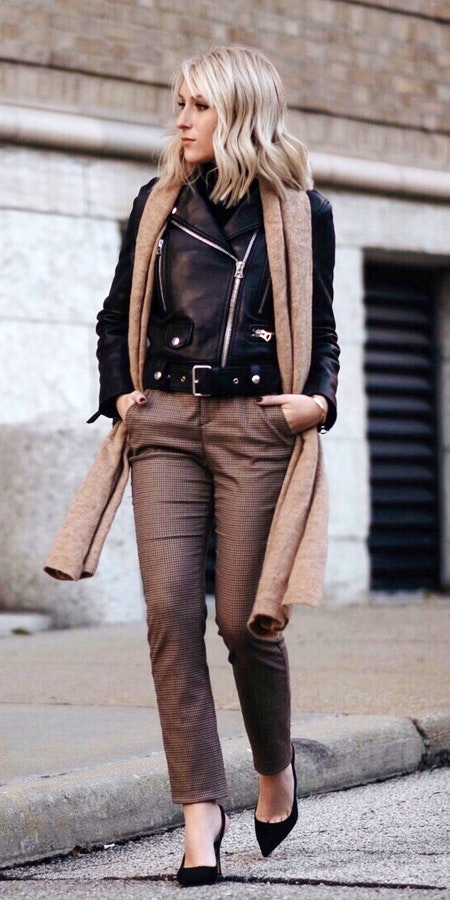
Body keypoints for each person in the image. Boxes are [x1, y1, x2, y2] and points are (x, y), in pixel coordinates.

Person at [92, 45, 339, 886]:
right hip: (165, 422)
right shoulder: (156, 202)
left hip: (254, 426)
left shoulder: (304, 212)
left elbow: (325, 333)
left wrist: (320, 403)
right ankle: (201, 815)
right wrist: (123, 394)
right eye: (179, 104)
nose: (181, 119)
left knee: (243, 620)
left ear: (238, 112)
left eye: (197, 105)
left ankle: (276, 768)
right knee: (168, 614)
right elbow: (110, 316)